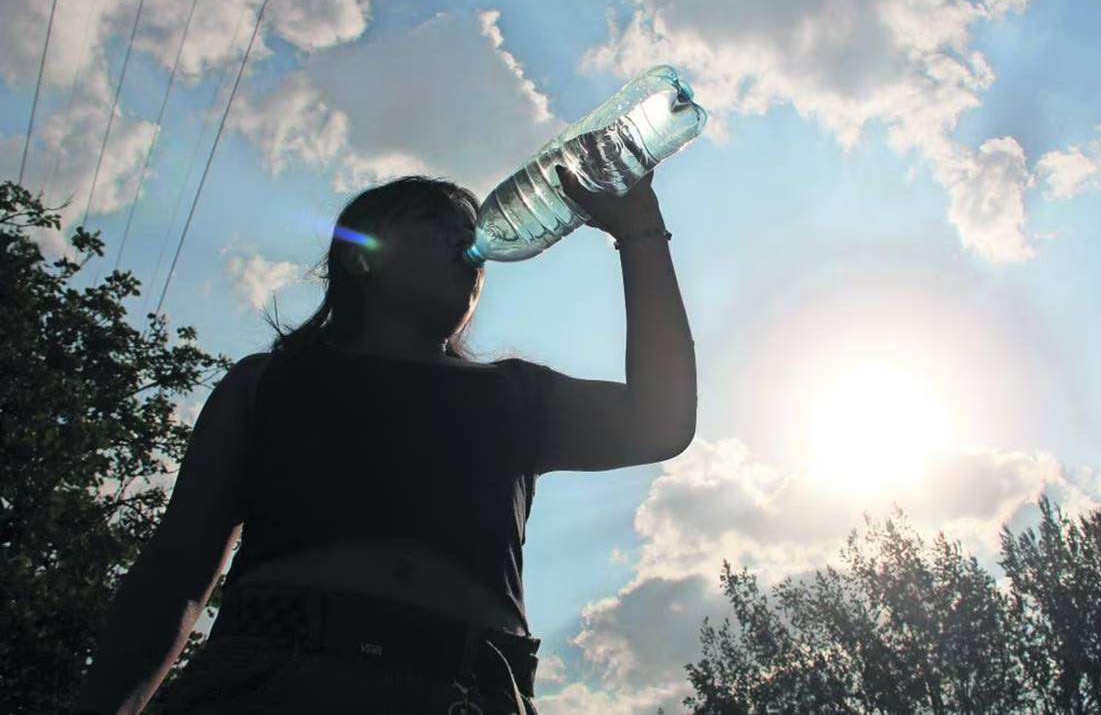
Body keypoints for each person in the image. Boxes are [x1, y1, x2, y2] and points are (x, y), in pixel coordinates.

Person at [72, 165, 697, 713]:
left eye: (469, 228)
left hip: (473, 687)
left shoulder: (515, 394)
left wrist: (639, 229)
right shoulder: (271, 383)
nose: (466, 239)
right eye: (434, 222)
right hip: (274, 678)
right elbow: (179, 565)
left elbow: (661, 420)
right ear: (360, 255)